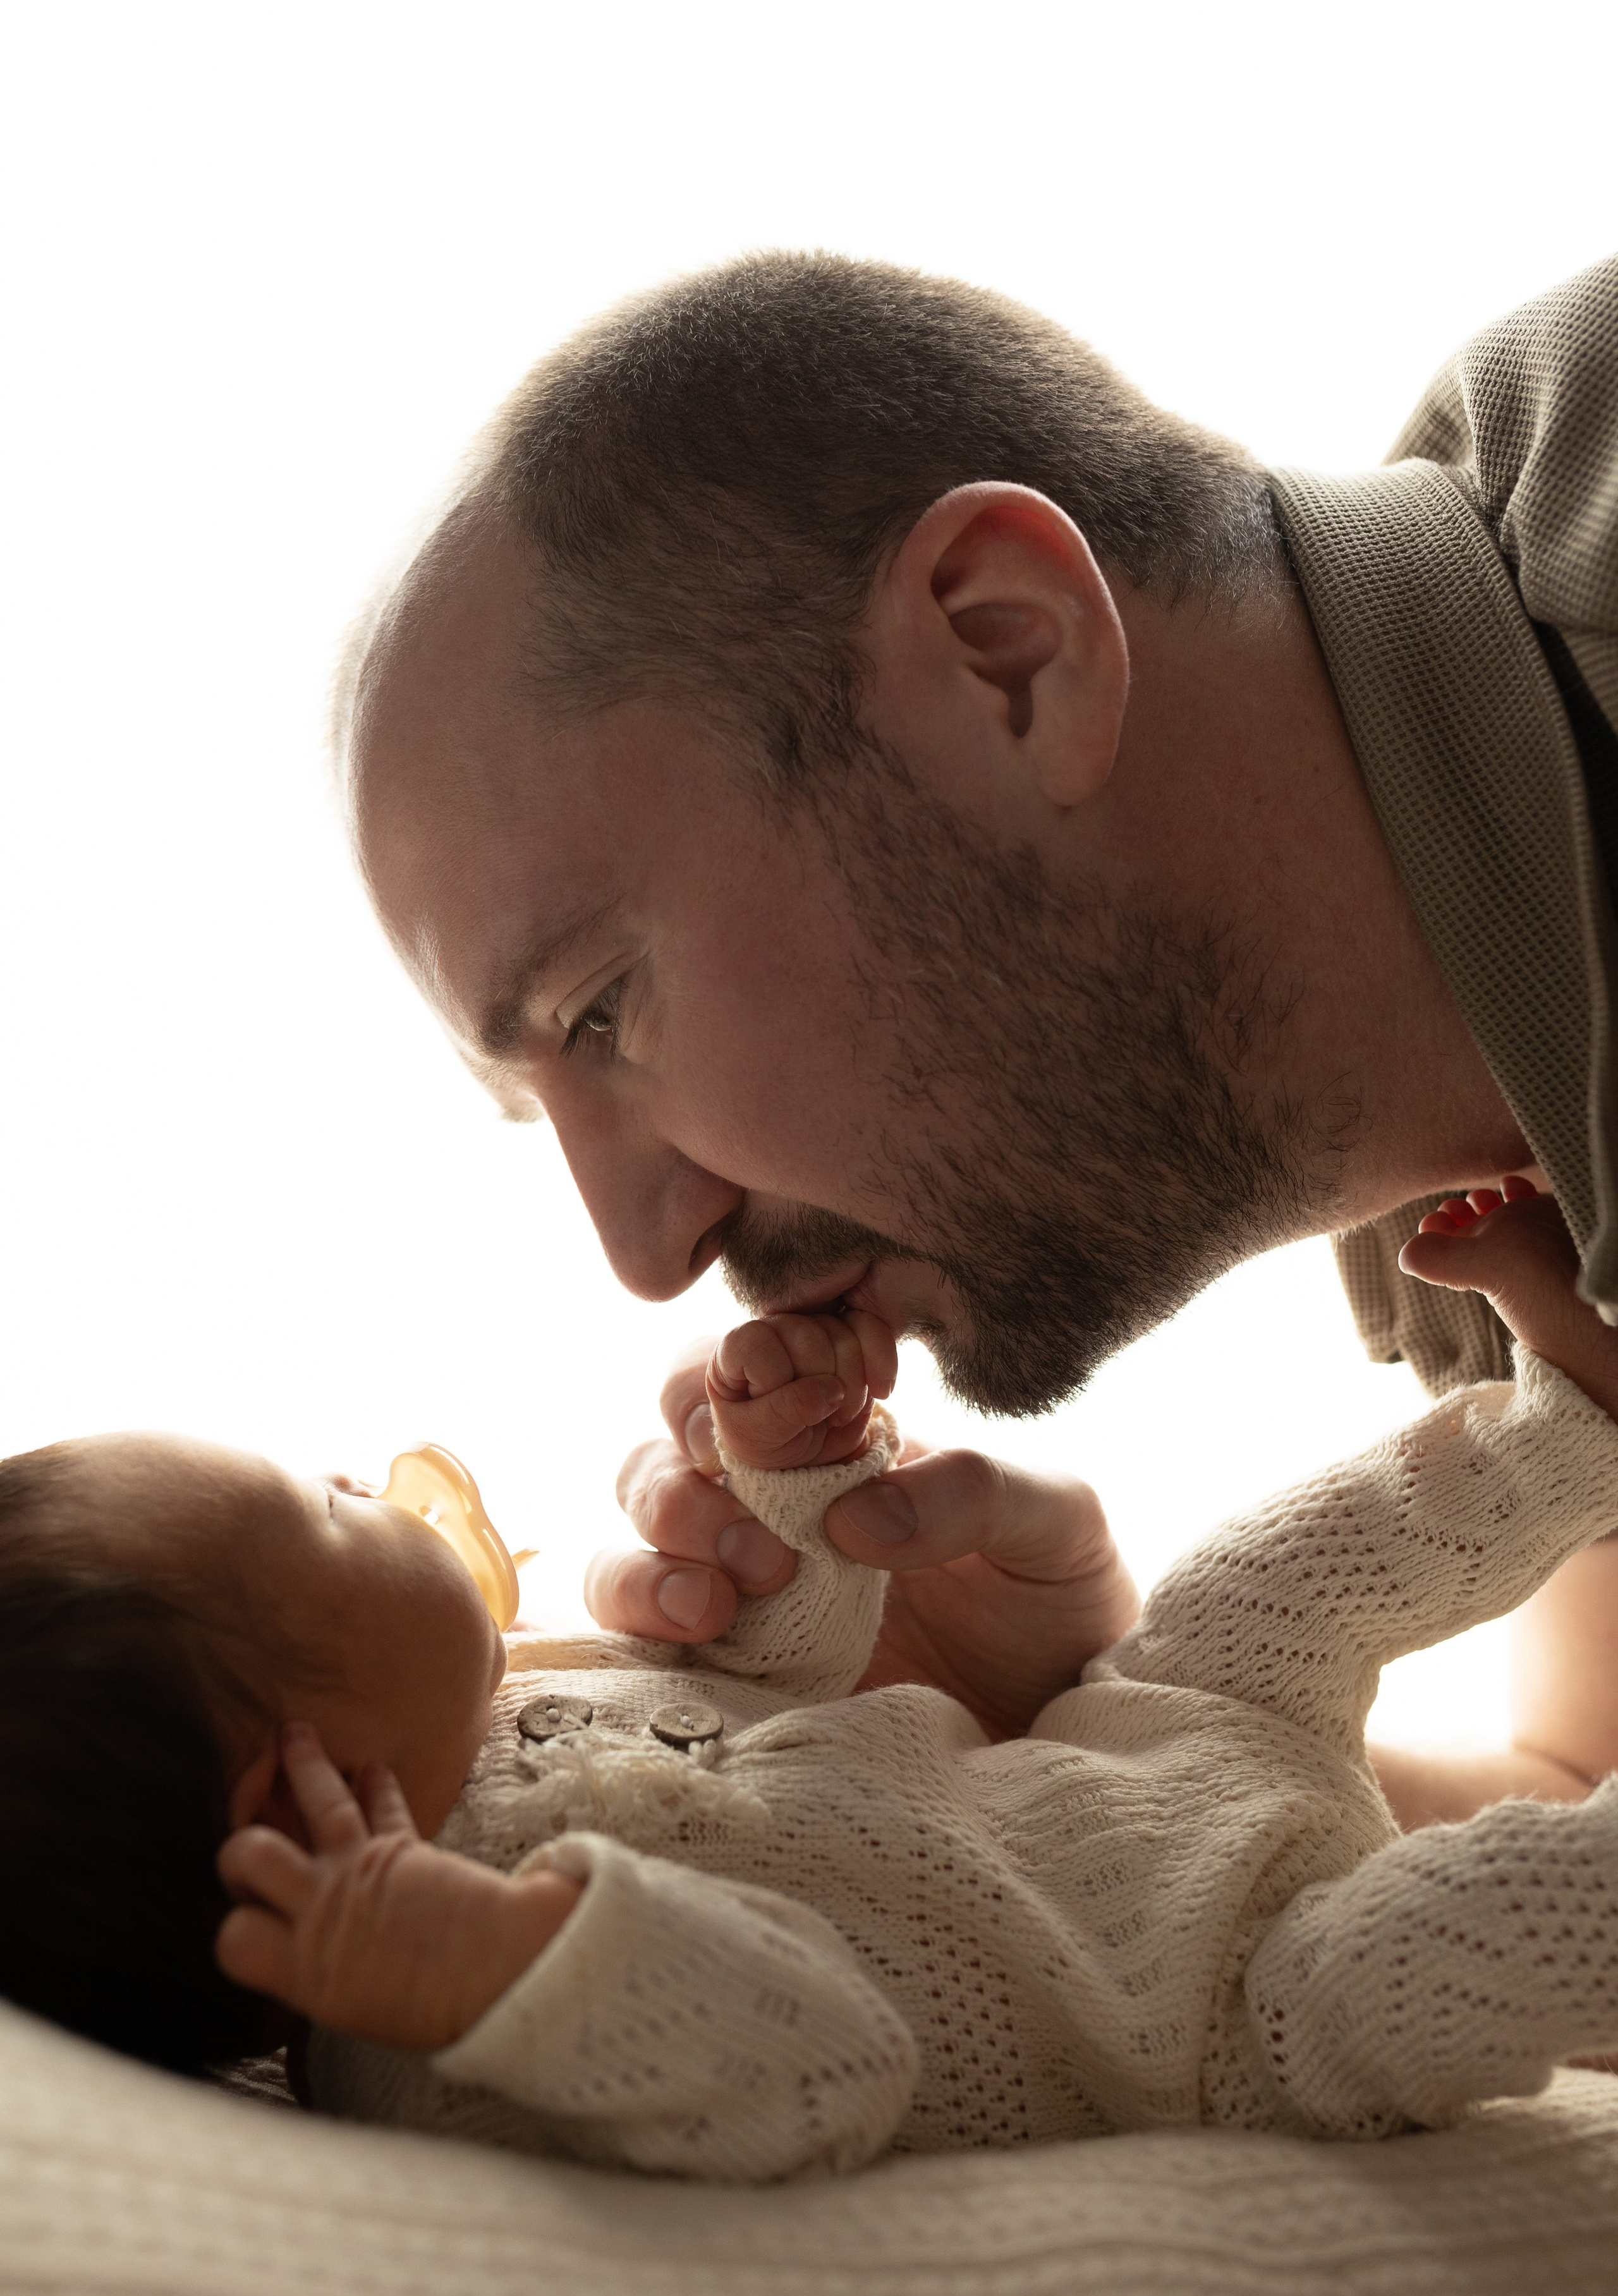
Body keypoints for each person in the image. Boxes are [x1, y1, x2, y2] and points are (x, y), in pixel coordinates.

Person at [341, 249, 1618, 1831]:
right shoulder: (1465, 1157)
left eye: (603, 1010)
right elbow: (1576, 1821)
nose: (645, 1253)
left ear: (1008, 652)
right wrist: (1045, 1743)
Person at [6, 1183, 1618, 2171]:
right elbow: (824, 2067)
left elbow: (787, 1680)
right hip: (1229, 2014)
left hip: (1139, 1753)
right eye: (318, 1507)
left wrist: (798, 1490)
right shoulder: (442, 2058)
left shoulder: (504, 1710)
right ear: (282, 1792)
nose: (367, 1476)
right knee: (1498, 1923)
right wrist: (508, 1968)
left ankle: (1570, 1417)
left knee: (1259, 1586)